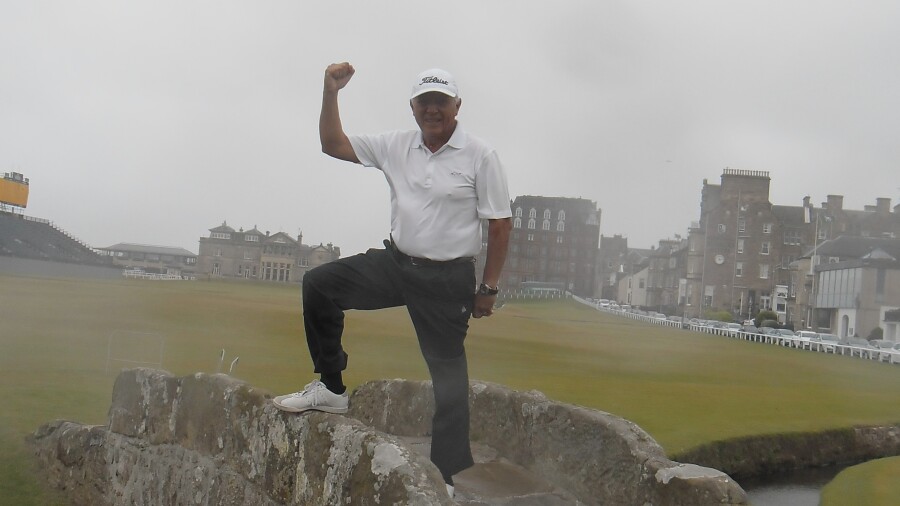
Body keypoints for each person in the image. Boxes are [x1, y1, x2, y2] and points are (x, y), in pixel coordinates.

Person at [273, 62, 512, 496]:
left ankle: (446, 474)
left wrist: (488, 288)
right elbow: (333, 144)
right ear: (413, 107)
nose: (433, 109)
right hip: (398, 263)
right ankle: (330, 387)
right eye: (425, 102)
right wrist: (331, 92)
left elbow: (499, 224)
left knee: (448, 375)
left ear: (457, 105)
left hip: (447, 278)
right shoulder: (397, 145)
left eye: (441, 101)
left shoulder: (480, 154)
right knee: (320, 285)